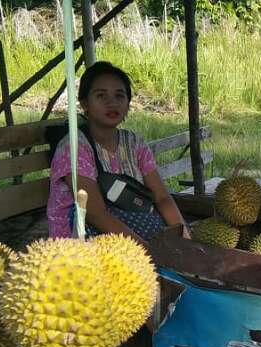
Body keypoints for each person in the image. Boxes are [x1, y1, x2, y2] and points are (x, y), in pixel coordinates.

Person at [47, 61, 185, 246]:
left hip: (128, 231)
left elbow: (161, 198)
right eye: (101, 95)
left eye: (119, 95)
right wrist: (147, 252)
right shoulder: (73, 148)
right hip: (78, 240)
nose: (111, 103)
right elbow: (95, 214)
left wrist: (185, 240)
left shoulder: (135, 144)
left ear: (128, 104)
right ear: (85, 103)